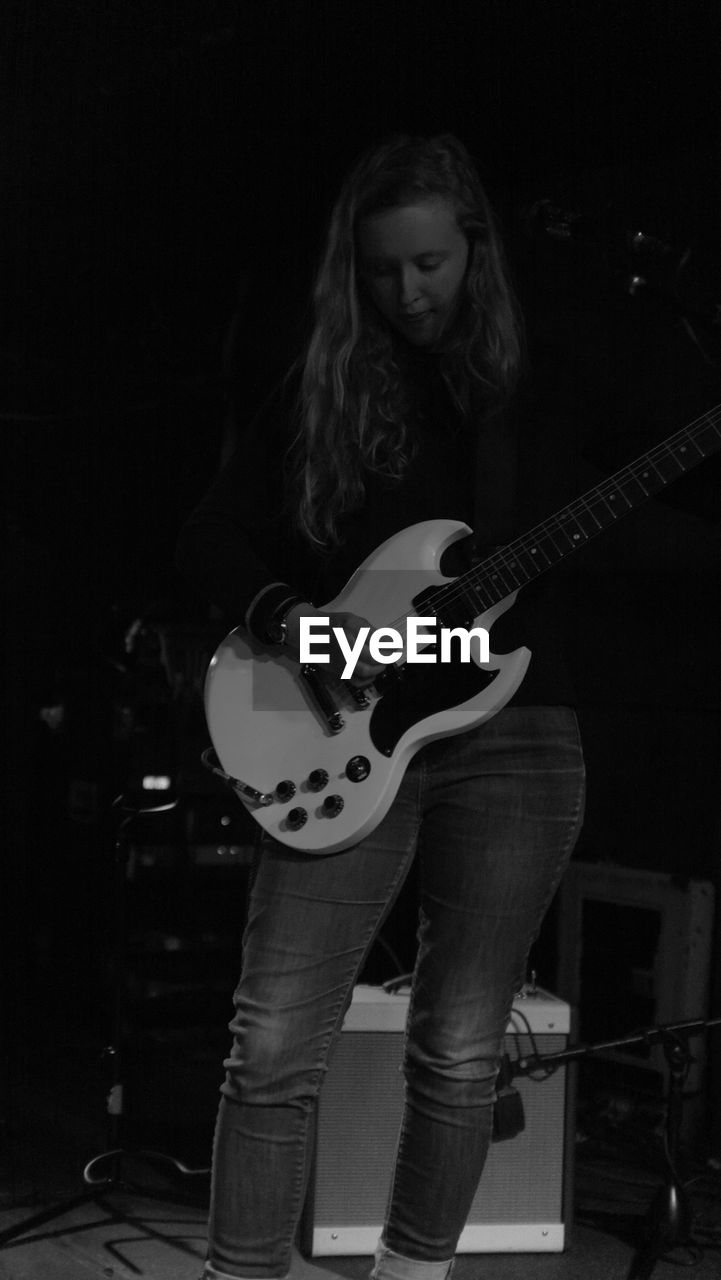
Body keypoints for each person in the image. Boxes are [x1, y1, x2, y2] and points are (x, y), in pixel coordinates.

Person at [176, 132, 586, 1280]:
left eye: (430, 264)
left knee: (459, 1050)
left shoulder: (541, 382)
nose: (409, 291)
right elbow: (207, 531)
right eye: (382, 270)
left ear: (476, 248)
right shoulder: (327, 386)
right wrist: (300, 627)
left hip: (515, 735)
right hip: (345, 733)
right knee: (269, 1045)